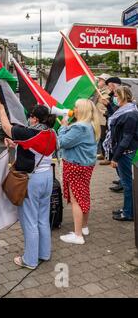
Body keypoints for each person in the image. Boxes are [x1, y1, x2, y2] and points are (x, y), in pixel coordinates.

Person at [0, 103, 57, 270]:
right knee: (42, 218)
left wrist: (2, 110)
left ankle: (30, 260)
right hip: (47, 177)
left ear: (35, 119)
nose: (28, 119)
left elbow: (7, 127)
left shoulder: (30, 132)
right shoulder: (51, 132)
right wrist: (16, 144)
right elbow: (34, 148)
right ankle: (44, 253)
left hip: (33, 179)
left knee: (29, 220)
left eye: (30, 116)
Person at [58, 99, 100, 245]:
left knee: (76, 199)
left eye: (76, 107)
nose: (73, 109)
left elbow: (62, 142)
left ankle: (77, 235)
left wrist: (63, 127)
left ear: (81, 110)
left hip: (75, 166)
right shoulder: (91, 125)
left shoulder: (79, 128)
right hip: (86, 166)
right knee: (84, 195)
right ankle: (84, 227)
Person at [105, 86, 138, 222]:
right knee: (127, 183)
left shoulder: (130, 114)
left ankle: (129, 213)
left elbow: (126, 138)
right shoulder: (127, 110)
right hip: (124, 151)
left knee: (127, 184)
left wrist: (116, 157)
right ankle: (127, 208)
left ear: (123, 97)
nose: (115, 98)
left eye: (117, 96)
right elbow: (118, 122)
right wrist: (108, 106)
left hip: (126, 152)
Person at [104, 77, 125, 193]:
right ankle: (121, 179)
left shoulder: (121, 99)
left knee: (118, 157)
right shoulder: (113, 96)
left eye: (109, 85)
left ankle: (123, 181)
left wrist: (108, 106)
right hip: (113, 131)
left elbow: (116, 114)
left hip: (118, 135)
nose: (108, 87)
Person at [93, 74, 111, 164]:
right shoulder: (99, 90)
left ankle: (108, 158)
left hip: (104, 118)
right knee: (100, 137)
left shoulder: (108, 92)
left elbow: (107, 104)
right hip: (98, 118)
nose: (98, 81)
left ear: (105, 82)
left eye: (100, 79)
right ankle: (103, 154)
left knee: (105, 138)